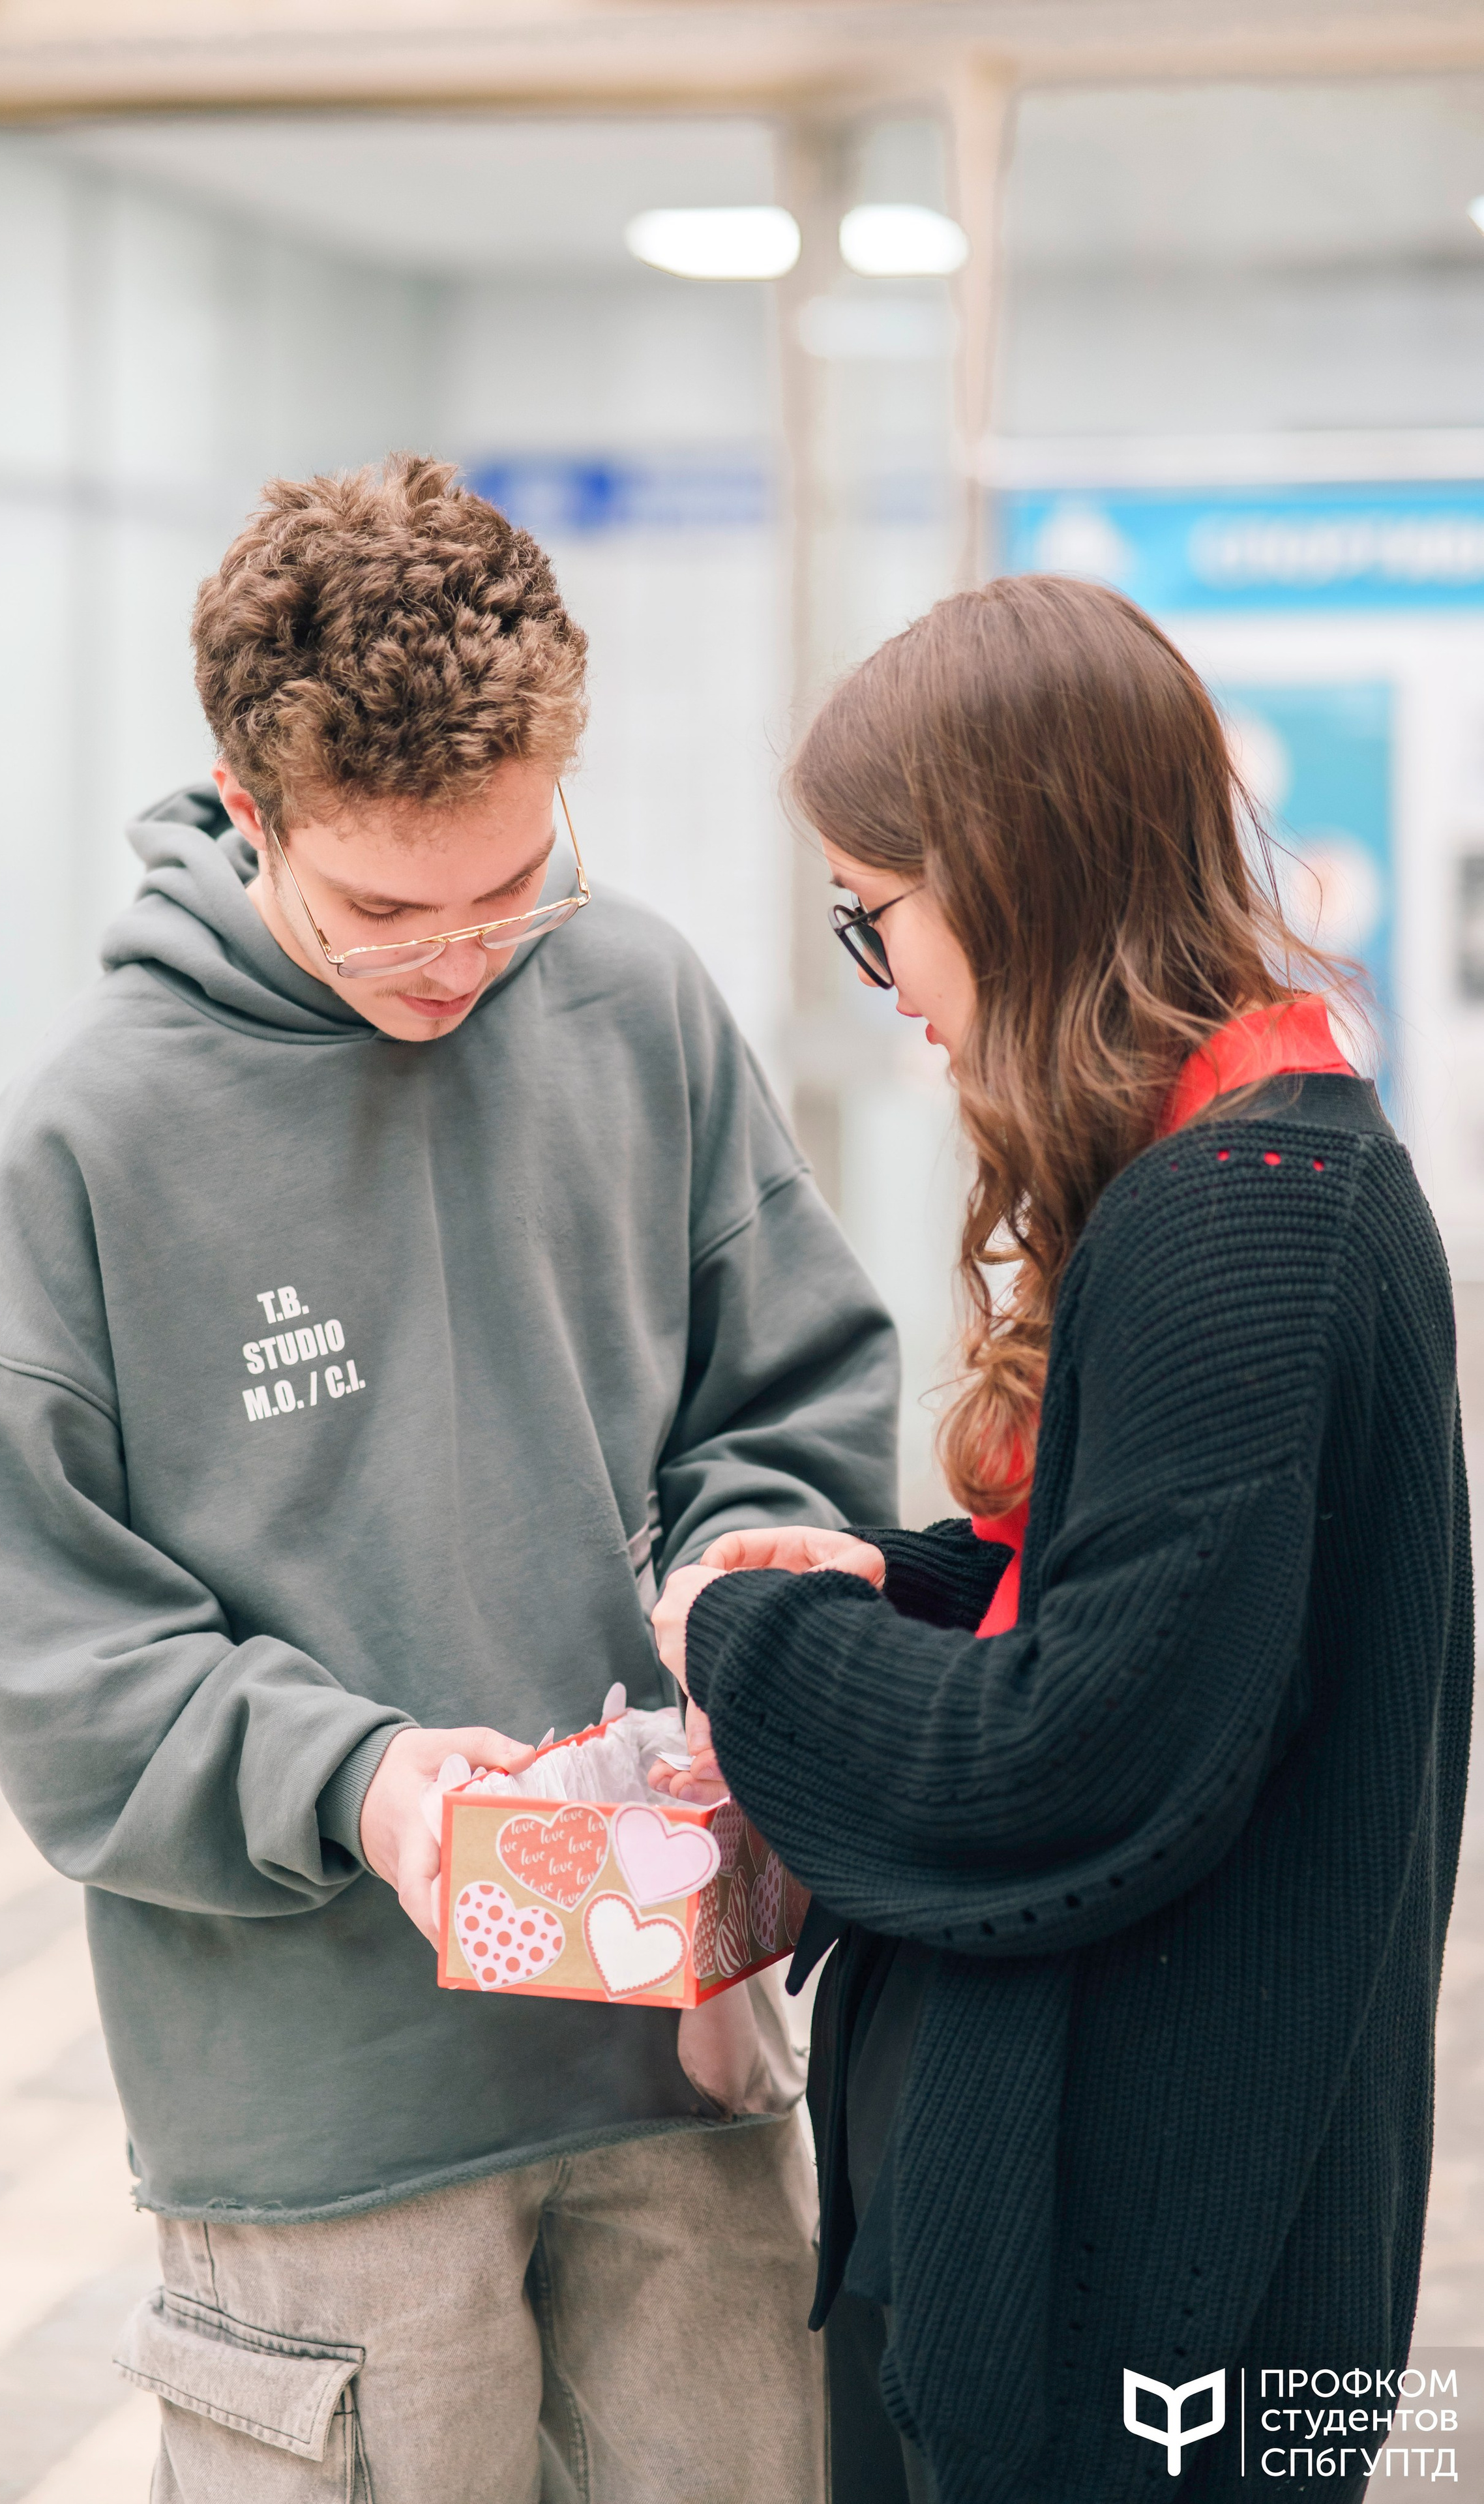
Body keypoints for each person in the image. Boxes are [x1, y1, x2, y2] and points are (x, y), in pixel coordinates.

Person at [0, 454, 900, 2504]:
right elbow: (47, 1654)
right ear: (250, 804)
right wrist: (367, 1786)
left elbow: (792, 1397)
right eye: (388, 907)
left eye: (514, 885)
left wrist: (749, 1588)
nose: (462, 958)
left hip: (680, 2051)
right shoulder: (89, 1143)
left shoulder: (634, 996)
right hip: (320, 2124)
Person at [649, 573, 1472, 2504]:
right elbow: (1188, 1609)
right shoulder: (1263, 1156)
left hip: (1134, 2303)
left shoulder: (1241, 1227)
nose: (890, 983)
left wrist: (738, 1639)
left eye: (879, 917)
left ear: (1012, 876)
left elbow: (1078, 1752)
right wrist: (902, 1586)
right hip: (1163, 2248)